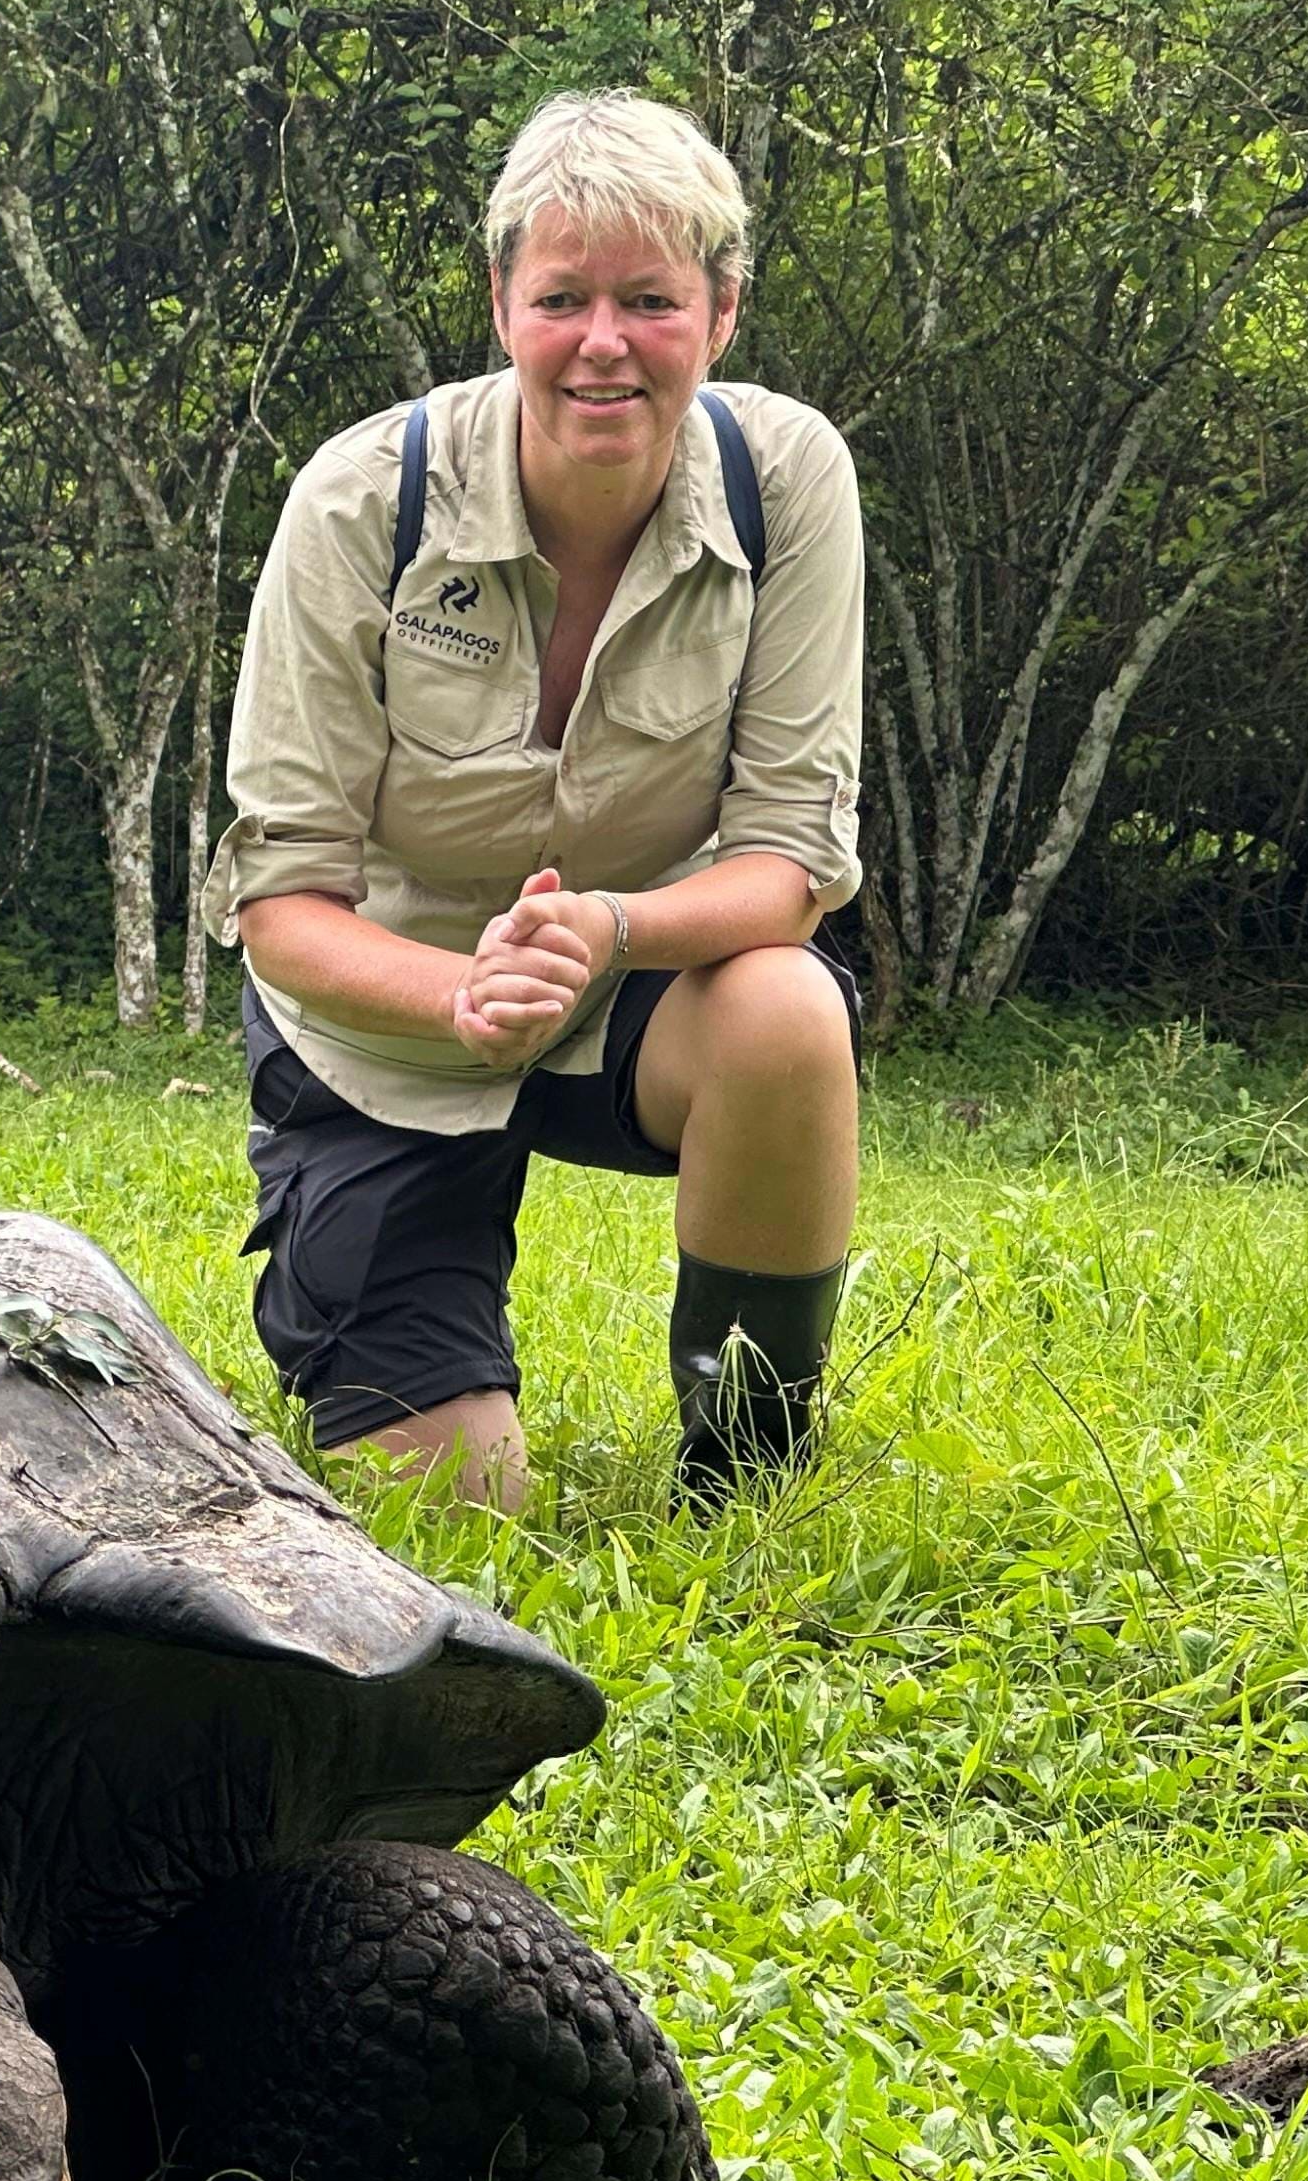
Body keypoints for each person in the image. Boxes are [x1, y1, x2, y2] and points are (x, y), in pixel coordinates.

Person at [206, 89, 866, 1504]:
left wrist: (608, 931)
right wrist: (462, 995)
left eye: (651, 300)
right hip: (381, 1029)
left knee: (786, 1009)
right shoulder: (358, 504)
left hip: (632, 987)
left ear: (723, 313)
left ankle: (747, 1465)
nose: (603, 342)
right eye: (563, 297)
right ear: (503, 304)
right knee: (467, 1505)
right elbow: (282, 906)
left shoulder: (788, 481)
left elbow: (787, 869)